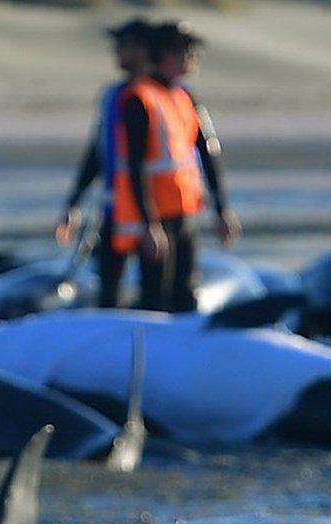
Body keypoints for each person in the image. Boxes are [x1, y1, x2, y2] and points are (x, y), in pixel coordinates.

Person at [109, 21, 239, 313]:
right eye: (183, 51)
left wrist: (222, 208)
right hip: (156, 217)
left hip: (185, 212)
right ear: (162, 54)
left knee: (186, 289)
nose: (191, 58)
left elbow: (207, 154)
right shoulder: (138, 99)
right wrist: (148, 225)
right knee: (154, 293)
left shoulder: (185, 97)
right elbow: (134, 166)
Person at [55, 18, 154, 308]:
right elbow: (97, 153)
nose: (118, 52)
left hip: (153, 211)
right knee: (108, 282)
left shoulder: (154, 97)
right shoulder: (113, 96)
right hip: (116, 209)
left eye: (125, 46)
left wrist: (150, 221)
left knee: (154, 291)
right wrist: (73, 202)